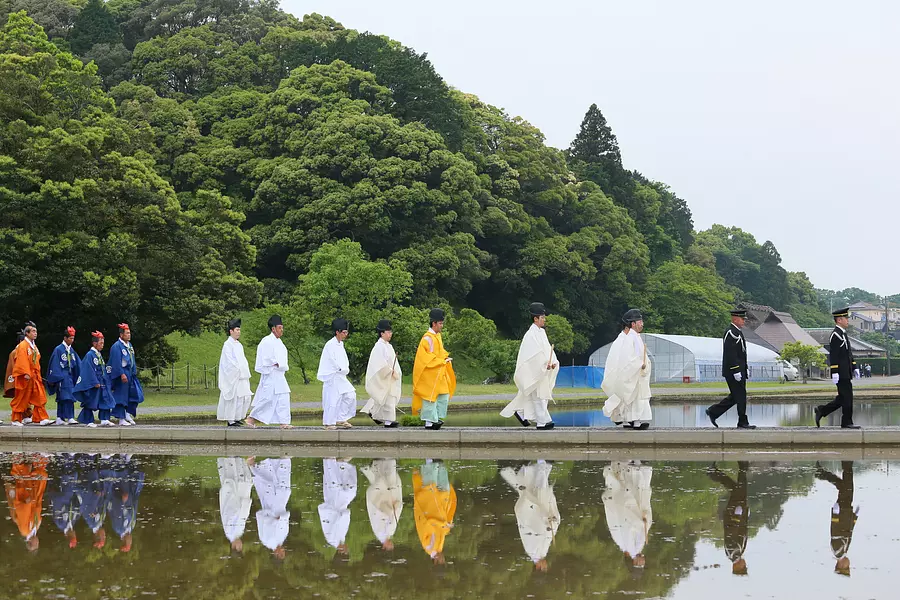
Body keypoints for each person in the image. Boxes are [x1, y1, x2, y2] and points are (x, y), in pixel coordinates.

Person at [501, 302, 559, 430]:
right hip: (534, 370)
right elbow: (532, 356)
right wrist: (544, 364)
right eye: (542, 317)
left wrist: (552, 362)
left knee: (540, 395)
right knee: (538, 396)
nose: (544, 320)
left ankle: (523, 413)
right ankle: (542, 421)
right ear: (535, 318)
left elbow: (547, 350)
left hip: (542, 369)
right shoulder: (530, 335)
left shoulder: (541, 333)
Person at [501, 461, 560, 572]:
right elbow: (546, 536)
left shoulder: (531, 550)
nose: (546, 564)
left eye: (544, 567)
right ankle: (538, 466)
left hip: (537, 514)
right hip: (544, 515)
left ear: (538, 567)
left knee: (540, 488)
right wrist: (552, 525)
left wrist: (545, 524)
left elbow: (530, 528)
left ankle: (541, 463)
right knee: (540, 488)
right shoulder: (542, 553)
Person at [602, 309, 653, 430]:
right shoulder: (627, 338)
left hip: (636, 373)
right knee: (631, 397)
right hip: (631, 373)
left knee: (636, 397)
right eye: (639, 321)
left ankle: (632, 419)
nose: (642, 324)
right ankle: (633, 420)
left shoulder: (635, 337)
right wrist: (639, 364)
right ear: (632, 324)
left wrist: (643, 364)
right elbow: (627, 359)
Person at [706, 309, 756, 429]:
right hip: (733, 371)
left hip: (739, 369)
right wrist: (736, 370)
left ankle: (713, 411)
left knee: (735, 396)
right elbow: (731, 354)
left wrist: (745, 368)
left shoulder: (737, 331)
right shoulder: (731, 332)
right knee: (740, 396)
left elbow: (741, 354)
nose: (744, 321)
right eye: (742, 319)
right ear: (735, 319)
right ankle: (742, 422)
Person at [602, 460, 653, 570]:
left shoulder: (633, 548)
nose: (643, 562)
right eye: (642, 564)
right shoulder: (625, 546)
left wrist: (642, 522)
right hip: (632, 516)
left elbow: (630, 529)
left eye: (640, 564)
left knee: (633, 494)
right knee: (634, 492)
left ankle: (631, 468)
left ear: (635, 562)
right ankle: (628, 467)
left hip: (633, 516)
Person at [815, 308, 861, 429]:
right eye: (846, 318)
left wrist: (854, 366)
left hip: (846, 371)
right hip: (841, 372)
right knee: (847, 397)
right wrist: (834, 371)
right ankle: (846, 422)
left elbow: (848, 353)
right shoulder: (836, 335)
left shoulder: (843, 333)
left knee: (842, 398)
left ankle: (822, 410)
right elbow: (834, 355)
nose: (848, 321)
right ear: (839, 320)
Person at [413, 309, 456, 430]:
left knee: (444, 394)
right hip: (429, 372)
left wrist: (445, 358)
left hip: (439, 371)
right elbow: (425, 357)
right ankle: (429, 422)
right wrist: (441, 361)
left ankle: (437, 418)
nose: (442, 326)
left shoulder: (437, 336)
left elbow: (440, 352)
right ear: (434, 323)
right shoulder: (427, 338)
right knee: (429, 397)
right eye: (440, 323)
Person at [247, 315, 292, 429]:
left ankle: (284, 421)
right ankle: (251, 418)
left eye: (282, 327)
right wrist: (276, 363)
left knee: (283, 397)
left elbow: (283, 359)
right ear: (273, 329)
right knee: (267, 398)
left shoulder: (280, 343)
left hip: (280, 374)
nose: (282, 330)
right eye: (279, 327)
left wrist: (281, 364)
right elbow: (266, 358)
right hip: (271, 373)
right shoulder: (266, 341)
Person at [815, 461, 858, 576]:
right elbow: (849, 531)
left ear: (841, 565)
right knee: (846, 486)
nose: (849, 564)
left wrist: (835, 514)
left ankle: (842, 466)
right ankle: (843, 465)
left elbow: (834, 530)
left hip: (842, 512)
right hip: (847, 512)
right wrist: (854, 518)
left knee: (846, 487)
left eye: (847, 566)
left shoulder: (837, 550)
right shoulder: (843, 551)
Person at [708, 461, 750, 576]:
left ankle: (742, 467)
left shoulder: (733, 552)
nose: (745, 564)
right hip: (737, 513)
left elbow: (731, 531)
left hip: (734, 514)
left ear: (737, 567)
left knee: (741, 489)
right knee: (736, 489)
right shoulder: (734, 553)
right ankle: (714, 473)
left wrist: (737, 515)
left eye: (743, 567)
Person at [3, 453, 49, 553]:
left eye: (36, 544)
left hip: (27, 501)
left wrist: (26, 503)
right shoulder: (35, 530)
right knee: (39, 477)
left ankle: (17, 458)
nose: (38, 542)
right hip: (35, 499)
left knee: (23, 479)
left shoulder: (25, 531)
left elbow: (23, 514)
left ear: (31, 543)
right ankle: (39, 458)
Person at [413, 459, 457, 565]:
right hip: (440, 508)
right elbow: (440, 532)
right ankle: (439, 463)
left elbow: (429, 523)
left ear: (436, 561)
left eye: (442, 561)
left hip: (430, 507)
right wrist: (447, 528)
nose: (443, 558)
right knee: (445, 488)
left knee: (430, 485)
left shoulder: (428, 546)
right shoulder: (439, 549)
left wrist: (443, 525)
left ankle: (429, 459)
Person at [360, 320, 402, 428]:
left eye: (390, 332)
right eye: (388, 332)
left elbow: (394, 362)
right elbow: (378, 364)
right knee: (386, 398)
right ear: (382, 333)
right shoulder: (378, 346)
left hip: (390, 376)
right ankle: (388, 420)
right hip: (384, 376)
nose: (390, 334)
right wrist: (388, 370)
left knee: (387, 397)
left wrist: (395, 371)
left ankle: (373, 412)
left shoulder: (389, 346)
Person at [318, 319, 356, 431]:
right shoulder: (330, 344)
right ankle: (329, 422)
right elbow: (331, 361)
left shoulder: (341, 344)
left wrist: (345, 369)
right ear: (337, 332)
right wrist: (340, 368)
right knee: (332, 399)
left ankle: (340, 418)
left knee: (350, 395)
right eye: (344, 332)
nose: (345, 335)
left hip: (341, 376)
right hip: (332, 376)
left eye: (346, 332)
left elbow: (344, 360)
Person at [251, 456, 291, 561]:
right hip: (281, 504)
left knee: (267, 482)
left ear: (276, 554)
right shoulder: (282, 538)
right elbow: (286, 521)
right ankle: (283, 459)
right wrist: (283, 517)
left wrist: (274, 519)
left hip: (270, 506)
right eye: (284, 553)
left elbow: (261, 519)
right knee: (283, 486)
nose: (283, 551)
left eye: (281, 554)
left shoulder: (266, 539)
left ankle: (253, 465)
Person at [10, 322, 51, 426]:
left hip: (34, 376)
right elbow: (21, 360)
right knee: (21, 398)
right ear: (27, 333)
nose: (35, 333)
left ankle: (41, 418)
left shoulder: (33, 346)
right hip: (26, 376)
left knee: (39, 396)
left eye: (36, 331)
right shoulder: (23, 345)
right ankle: (15, 419)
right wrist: (25, 372)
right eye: (33, 331)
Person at [74, 331, 116, 427]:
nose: (102, 345)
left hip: (102, 382)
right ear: (94, 343)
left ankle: (104, 419)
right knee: (91, 401)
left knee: (105, 399)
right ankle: (89, 421)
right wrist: (94, 382)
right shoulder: (90, 355)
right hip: (94, 383)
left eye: (103, 343)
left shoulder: (98, 355)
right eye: (100, 343)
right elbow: (88, 370)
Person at [217, 319, 253, 427]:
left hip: (242, 376)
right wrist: (237, 369)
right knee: (233, 398)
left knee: (243, 397)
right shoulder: (227, 345)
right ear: (231, 331)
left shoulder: (239, 345)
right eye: (237, 330)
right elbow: (228, 361)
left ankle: (237, 417)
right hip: (234, 376)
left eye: (239, 330)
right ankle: (230, 419)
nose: (239, 332)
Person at [318, 458, 357, 556]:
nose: (347, 548)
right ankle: (341, 464)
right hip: (342, 506)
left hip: (333, 506)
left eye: (345, 550)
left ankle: (330, 459)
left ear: (340, 551)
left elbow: (337, 521)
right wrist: (346, 513)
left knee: (334, 484)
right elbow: (345, 521)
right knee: (351, 491)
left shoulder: (332, 539)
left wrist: (344, 514)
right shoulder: (341, 539)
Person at [362, 459, 403, 551]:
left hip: (383, 501)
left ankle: (379, 461)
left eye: (389, 546)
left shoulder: (379, 532)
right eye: (392, 546)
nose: (391, 544)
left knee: (382, 479)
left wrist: (390, 511)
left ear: (384, 547)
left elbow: (377, 513)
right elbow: (396, 516)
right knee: (390, 478)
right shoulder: (391, 533)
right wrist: (397, 507)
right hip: (391, 500)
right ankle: (389, 458)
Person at [108, 323, 144, 426]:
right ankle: (121, 418)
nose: (129, 335)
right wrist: (121, 374)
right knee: (121, 396)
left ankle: (128, 413)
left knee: (135, 394)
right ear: (121, 335)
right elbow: (116, 362)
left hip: (130, 374)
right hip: (122, 374)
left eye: (129, 333)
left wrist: (134, 371)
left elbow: (132, 359)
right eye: (127, 333)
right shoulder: (117, 346)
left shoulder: (129, 345)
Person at [217, 457, 254, 555]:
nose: (241, 545)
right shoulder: (237, 533)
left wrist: (243, 507)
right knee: (242, 473)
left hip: (236, 496)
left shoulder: (230, 532)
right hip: (241, 497)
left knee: (234, 471)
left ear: (233, 546)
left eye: (239, 547)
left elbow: (231, 513)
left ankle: (232, 453)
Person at [108, 455, 144, 553]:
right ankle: (125, 459)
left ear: (123, 540)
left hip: (122, 497)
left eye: (129, 542)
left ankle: (119, 458)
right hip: (131, 498)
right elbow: (133, 512)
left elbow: (116, 512)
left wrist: (122, 501)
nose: (131, 540)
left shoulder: (118, 528)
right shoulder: (131, 528)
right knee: (128, 478)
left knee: (121, 478)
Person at [46, 327, 81, 425]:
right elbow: (55, 363)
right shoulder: (58, 349)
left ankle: (67, 417)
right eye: (70, 338)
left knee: (70, 396)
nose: (72, 340)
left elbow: (77, 364)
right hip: (62, 376)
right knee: (63, 397)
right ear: (65, 338)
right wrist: (55, 377)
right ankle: (62, 417)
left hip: (70, 376)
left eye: (73, 338)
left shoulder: (71, 350)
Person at [76, 455, 110, 550]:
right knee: (92, 470)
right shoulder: (99, 522)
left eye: (104, 536)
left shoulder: (92, 522)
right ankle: (89, 455)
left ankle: (85, 455)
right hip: (97, 492)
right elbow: (100, 506)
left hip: (91, 491)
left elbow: (88, 507)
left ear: (98, 536)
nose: (105, 534)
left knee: (88, 470)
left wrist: (97, 496)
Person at [48, 454, 80, 549]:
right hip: (70, 491)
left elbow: (56, 504)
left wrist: (67, 496)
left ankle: (64, 456)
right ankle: (68, 457)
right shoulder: (73, 522)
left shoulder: (60, 523)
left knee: (67, 474)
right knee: (73, 475)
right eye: (74, 536)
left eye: (71, 536)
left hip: (62, 492)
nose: (73, 534)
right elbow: (77, 508)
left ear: (67, 536)